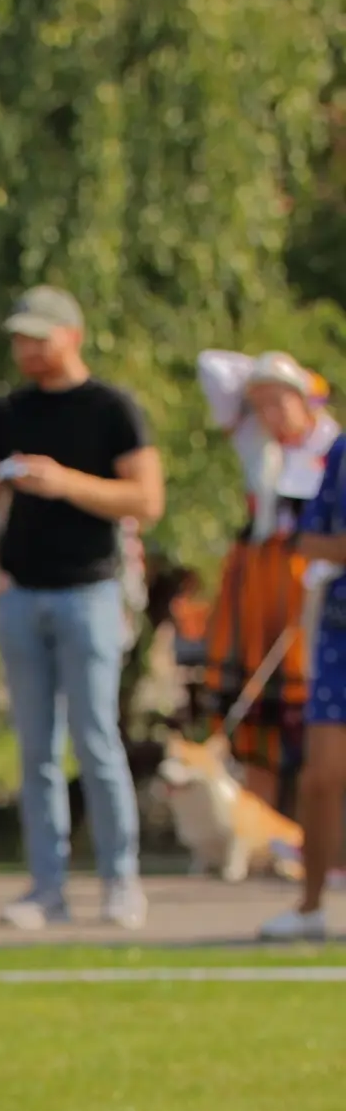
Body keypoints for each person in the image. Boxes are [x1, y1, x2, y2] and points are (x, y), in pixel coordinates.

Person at [0, 286, 164, 930]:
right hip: (22, 594)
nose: (27, 350)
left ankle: (120, 881)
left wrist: (65, 483)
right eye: (20, 339)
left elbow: (146, 499)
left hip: (91, 591)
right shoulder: (10, 411)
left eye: (38, 338)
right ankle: (46, 889)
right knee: (36, 749)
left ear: (71, 335)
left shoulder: (112, 409)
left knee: (96, 740)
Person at [198, 350, 339, 805]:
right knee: (259, 708)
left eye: (279, 401)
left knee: (308, 705)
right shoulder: (257, 443)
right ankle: (263, 835)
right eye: (259, 404)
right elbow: (210, 365)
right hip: (260, 584)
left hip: (311, 582)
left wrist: (301, 382)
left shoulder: (330, 446)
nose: (270, 414)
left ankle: (314, 834)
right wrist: (264, 375)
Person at [258, 429, 346, 941]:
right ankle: (311, 906)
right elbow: (307, 538)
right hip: (339, 628)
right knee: (321, 777)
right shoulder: (340, 452)